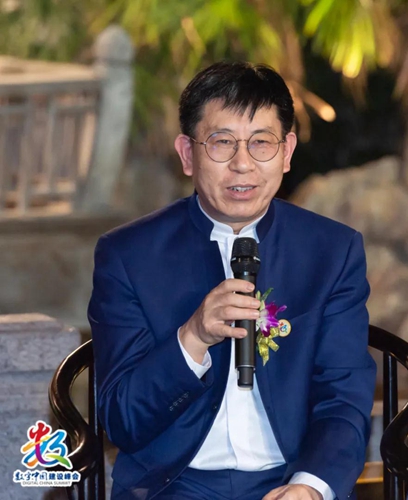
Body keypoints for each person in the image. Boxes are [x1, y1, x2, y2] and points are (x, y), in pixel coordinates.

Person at [89, 61, 376, 500]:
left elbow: (344, 400)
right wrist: (192, 337)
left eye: (261, 142)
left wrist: (311, 487)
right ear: (187, 154)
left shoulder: (331, 252)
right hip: (174, 485)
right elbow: (121, 420)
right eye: (222, 142)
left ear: (287, 152)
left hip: (290, 480)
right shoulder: (128, 256)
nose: (243, 164)